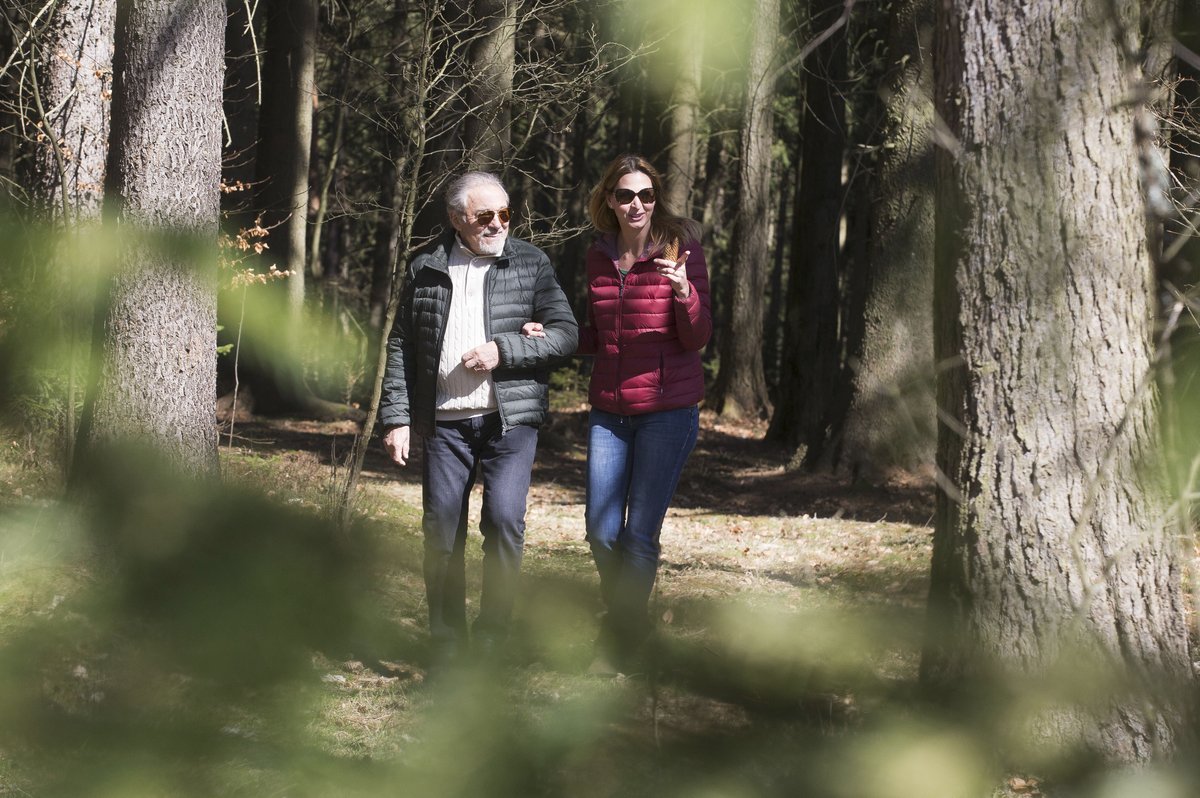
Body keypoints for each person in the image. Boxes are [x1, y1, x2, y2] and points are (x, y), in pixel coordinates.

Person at [379, 172, 578, 670]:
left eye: (505, 214)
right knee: (442, 533)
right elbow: (401, 344)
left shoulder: (531, 262)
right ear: (456, 219)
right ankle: (446, 644)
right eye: (484, 215)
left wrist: (504, 350)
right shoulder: (424, 266)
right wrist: (397, 416)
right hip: (445, 425)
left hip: (508, 422)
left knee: (505, 521)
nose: (496, 224)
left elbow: (566, 334)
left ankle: (492, 639)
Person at [531, 154, 710, 675]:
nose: (637, 204)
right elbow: (602, 336)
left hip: (667, 410)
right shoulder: (598, 258)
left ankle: (617, 642)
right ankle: (636, 627)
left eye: (646, 196)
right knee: (601, 530)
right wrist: (556, 338)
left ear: (656, 200)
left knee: (638, 535)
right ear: (610, 200)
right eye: (626, 195)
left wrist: (685, 292)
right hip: (610, 409)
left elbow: (697, 336)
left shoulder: (681, 251)